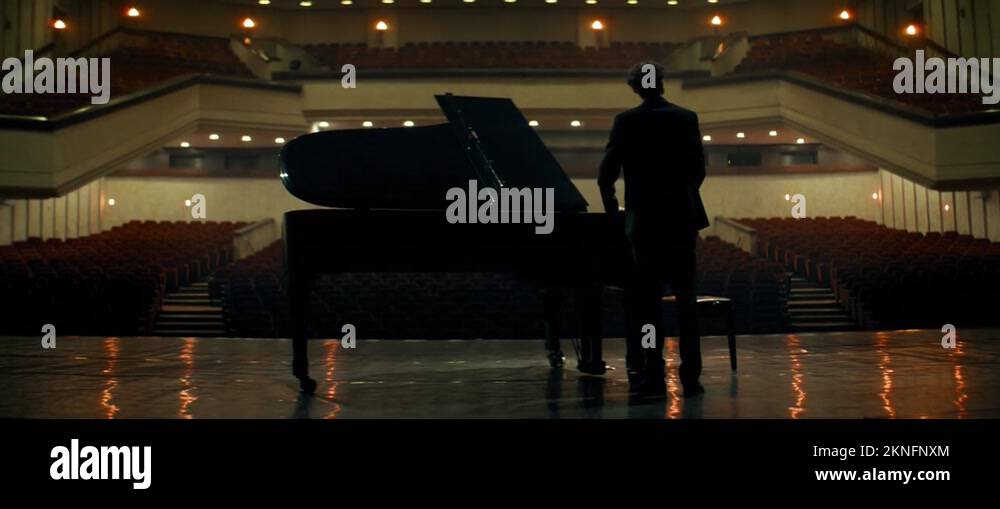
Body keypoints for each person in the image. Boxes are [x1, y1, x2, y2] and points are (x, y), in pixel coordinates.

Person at [598, 61, 710, 398]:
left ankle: (653, 371)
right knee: (687, 303)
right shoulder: (686, 118)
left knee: (648, 305)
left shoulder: (626, 122)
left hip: (644, 224)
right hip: (682, 220)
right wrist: (684, 197)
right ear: (661, 83)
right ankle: (691, 376)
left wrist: (615, 215)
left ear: (635, 87)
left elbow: (605, 177)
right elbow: (698, 170)